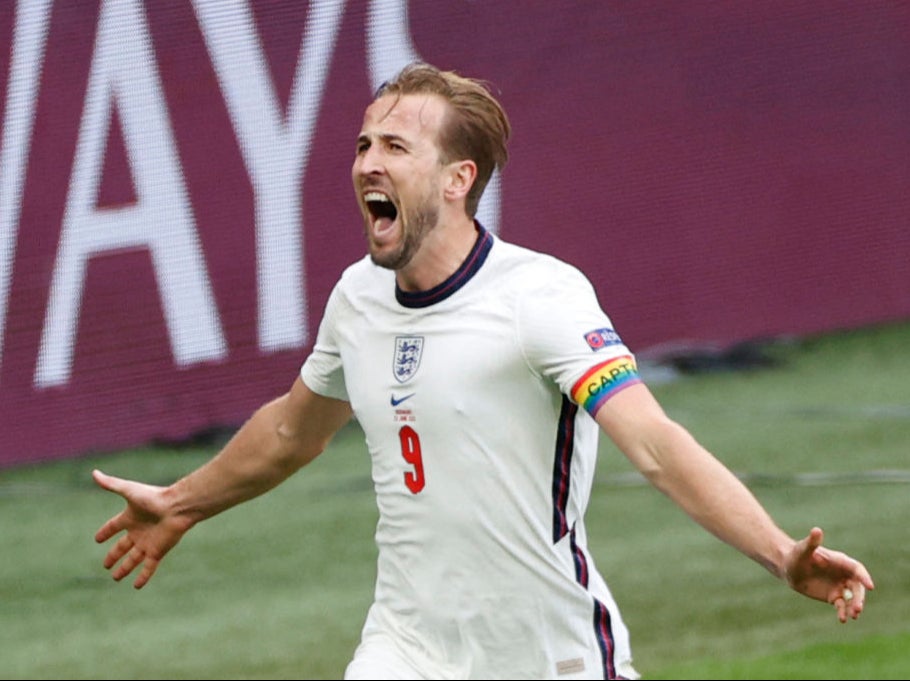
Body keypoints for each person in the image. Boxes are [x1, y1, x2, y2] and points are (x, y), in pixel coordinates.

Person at [93, 61, 874, 680]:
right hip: (405, 649)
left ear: (457, 179)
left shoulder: (541, 298)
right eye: (364, 143)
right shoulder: (358, 298)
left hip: (549, 656)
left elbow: (657, 447)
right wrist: (182, 502)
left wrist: (779, 553)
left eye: (396, 147)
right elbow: (292, 430)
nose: (369, 160)